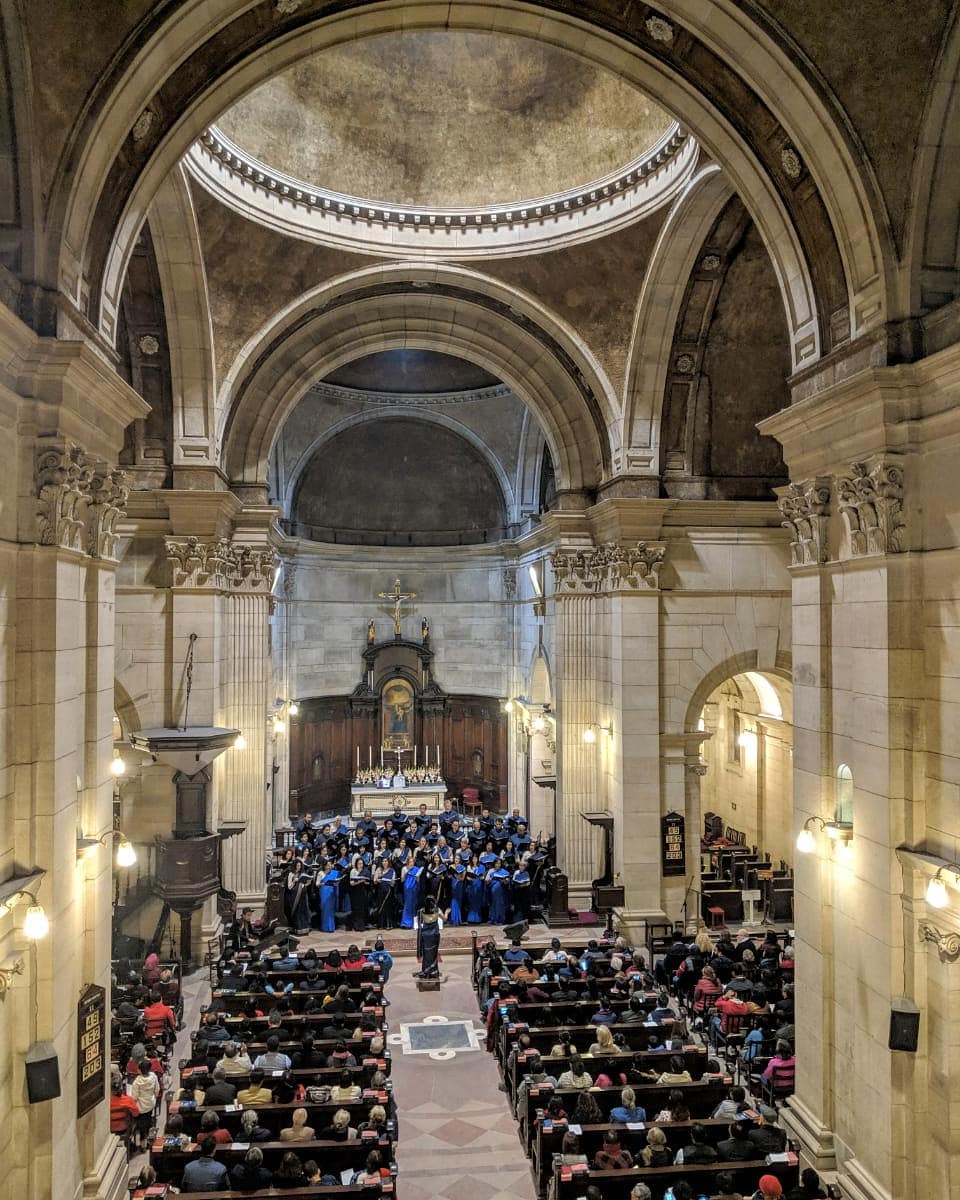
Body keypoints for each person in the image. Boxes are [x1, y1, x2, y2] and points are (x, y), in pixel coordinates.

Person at [130, 1059, 160, 1148]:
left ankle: (143, 1143)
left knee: (142, 1123)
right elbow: (157, 1090)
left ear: (140, 1070)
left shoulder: (137, 1082)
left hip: (141, 1107)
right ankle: (150, 1137)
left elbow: (134, 1097)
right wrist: (153, 1097)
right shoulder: (153, 1076)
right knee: (148, 1119)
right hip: (151, 1103)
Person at [415, 896, 443, 978]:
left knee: (426, 953)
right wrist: (447, 912)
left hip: (425, 935)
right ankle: (434, 971)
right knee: (434, 953)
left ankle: (426, 971)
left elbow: (419, 924)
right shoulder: (437, 910)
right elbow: (444, 919)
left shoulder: (421, 911)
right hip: (434, 935)